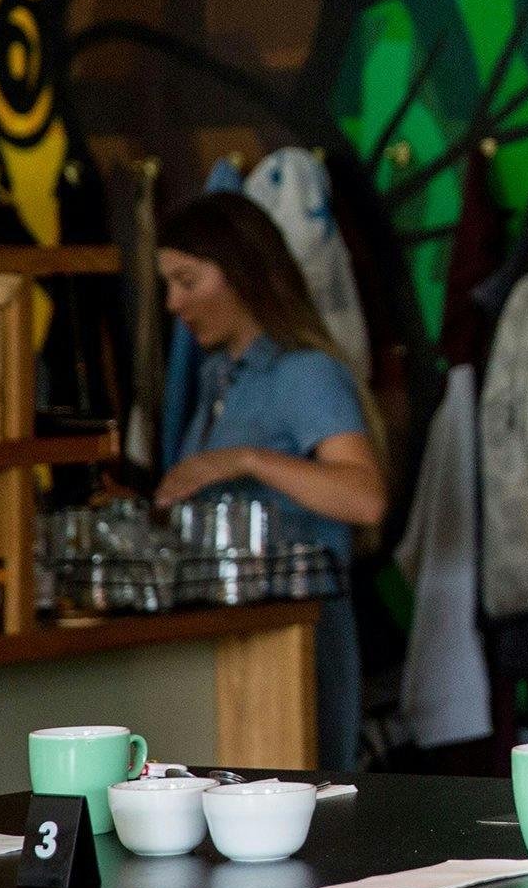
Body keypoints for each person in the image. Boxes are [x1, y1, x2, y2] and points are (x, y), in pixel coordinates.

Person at [154, 192, 387, 770]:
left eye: (187, 280)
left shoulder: (304, 373)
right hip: (232, 643)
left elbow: (364, 497)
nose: (172, 302)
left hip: (302, 633)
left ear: (241, 274)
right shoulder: (216, 378)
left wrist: (245, 461)